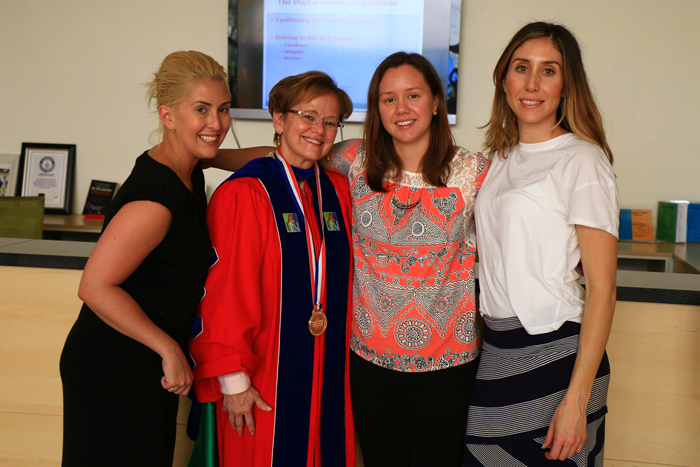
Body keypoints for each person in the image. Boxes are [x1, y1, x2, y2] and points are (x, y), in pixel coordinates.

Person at [211, 52, 489, 467]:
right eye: (388, 98)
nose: (402, 108)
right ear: (376, 108)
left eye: (413, 95)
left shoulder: (477, 171)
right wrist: (206, 155)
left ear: (436, 101)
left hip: (447, 361)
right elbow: (294, 153)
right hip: (368, 361)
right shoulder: (356, 161)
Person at [59, 50, 231, 467]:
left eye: (224, 109)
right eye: (202, 110)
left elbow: (266, 157)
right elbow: (95, 286)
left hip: (143, 361)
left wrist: (323, 144)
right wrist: (167, 348)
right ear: (167, 115)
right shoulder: (157, 199)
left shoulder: (190, 165)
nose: (216, 124)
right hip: (114, 363)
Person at [464, 22, 619, 465]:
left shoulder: (583, 160)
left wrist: (577, 400)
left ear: (567, 84)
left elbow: (603, 290)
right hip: (496, 350)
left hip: (556, 355)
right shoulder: (495, 159)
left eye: (548, 71)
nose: (532, 84)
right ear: (504, 79)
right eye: (521, 68)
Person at [188, 71, 356, 466]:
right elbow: (227, 294)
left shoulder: (339, 192)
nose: (320, 129)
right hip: (261, 380)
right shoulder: (245, 194)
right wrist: (234, 382)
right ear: (278, 120)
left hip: (328, 375)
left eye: (330, 122)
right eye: (308, 116)